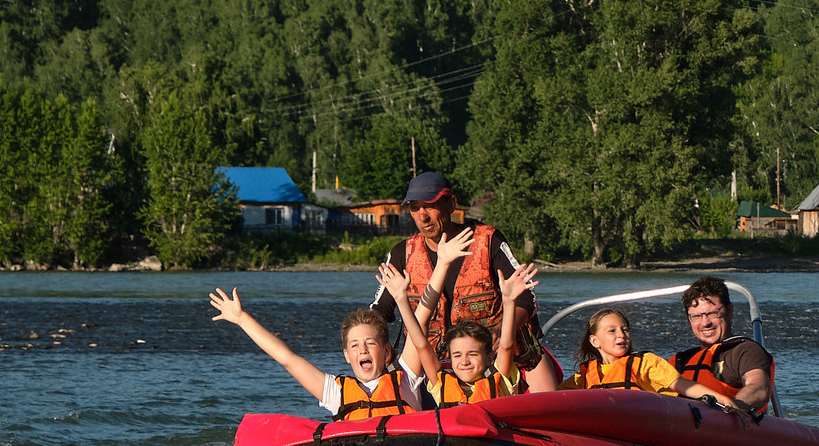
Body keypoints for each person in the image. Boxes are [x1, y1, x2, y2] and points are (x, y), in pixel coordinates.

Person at [372, 172, 560, 393]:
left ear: (451, 204)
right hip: (436, 372)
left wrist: (499, 332)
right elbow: (378, 312)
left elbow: (527, 298)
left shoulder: (489, 241)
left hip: (502, 363)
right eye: (415, 208)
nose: (423, 217)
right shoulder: (401, 254)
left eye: (430, 206)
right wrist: (367, 345)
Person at [209, 287, 431, 419]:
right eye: (354, 345)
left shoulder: (406, 379)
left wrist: (443, 263)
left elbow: (419, 323)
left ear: (386, 352)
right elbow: (287, 358)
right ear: (346, 355)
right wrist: (241, 319)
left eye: (370, 343)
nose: (362, 349)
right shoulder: (336, 392)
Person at [387, 258, 540, 406]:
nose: (464, 361)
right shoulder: (441, 384)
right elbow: (421, 344)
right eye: (457, 355)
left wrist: (509, 301)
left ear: (489, 358)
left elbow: (506, 345)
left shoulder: (499, 381)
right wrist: (401, 299)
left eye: (472, 354)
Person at [672, 275, 776, 414]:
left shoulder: (746, 351)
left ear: (729, 311)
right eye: (697, 316)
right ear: (688, 320)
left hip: (729, 427)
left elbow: (758, 387)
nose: (705, 323)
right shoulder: (680, 361)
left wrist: (732, 408)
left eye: (713, 314)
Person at [564, 307, 680, 393]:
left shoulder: (645, 363)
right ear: (595, 341)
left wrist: (699, 396)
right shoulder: (583, 376)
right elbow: (555, 397)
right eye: (612, 331)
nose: (621, 335)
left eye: (625, 329)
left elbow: (683, 385)